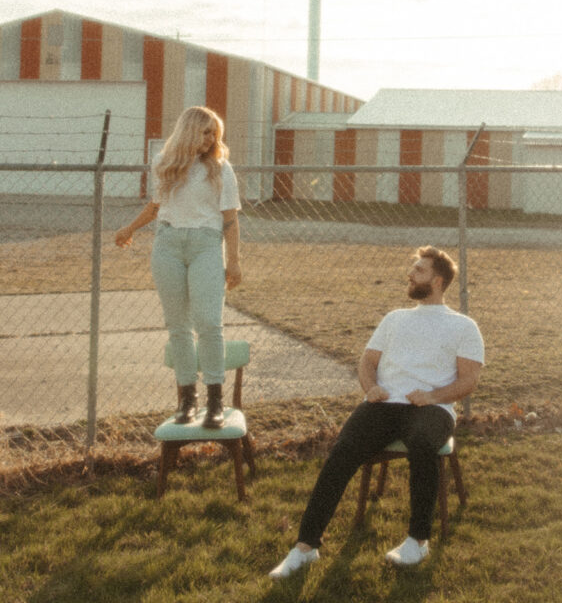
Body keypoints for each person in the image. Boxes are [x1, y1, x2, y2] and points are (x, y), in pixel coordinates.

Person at [269, 245, 484, 579]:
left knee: (424, 444)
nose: (411, 274)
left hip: (432, 408)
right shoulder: (395, 318)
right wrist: (370, 388)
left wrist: (432, 395)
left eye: (419, 270)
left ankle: (417, 540)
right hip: (385, 404)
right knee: (342, 452)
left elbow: (469, 380)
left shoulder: (463, 326)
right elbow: (367, 362)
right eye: (412, 268)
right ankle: (305, 548)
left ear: (438, 281)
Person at [114, 105, 242, 429]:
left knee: (209, 322)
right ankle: (188, 400)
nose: (211, 138)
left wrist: (235, 261)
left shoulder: (221, 168)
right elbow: (157, 206)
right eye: (205, 131)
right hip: (168, 246)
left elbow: (230, 219)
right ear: (188, 131)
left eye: (214, 133)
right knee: (178, 327)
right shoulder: (163, 163)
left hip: (206, 247)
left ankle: (215, 401)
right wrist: (130, 228)